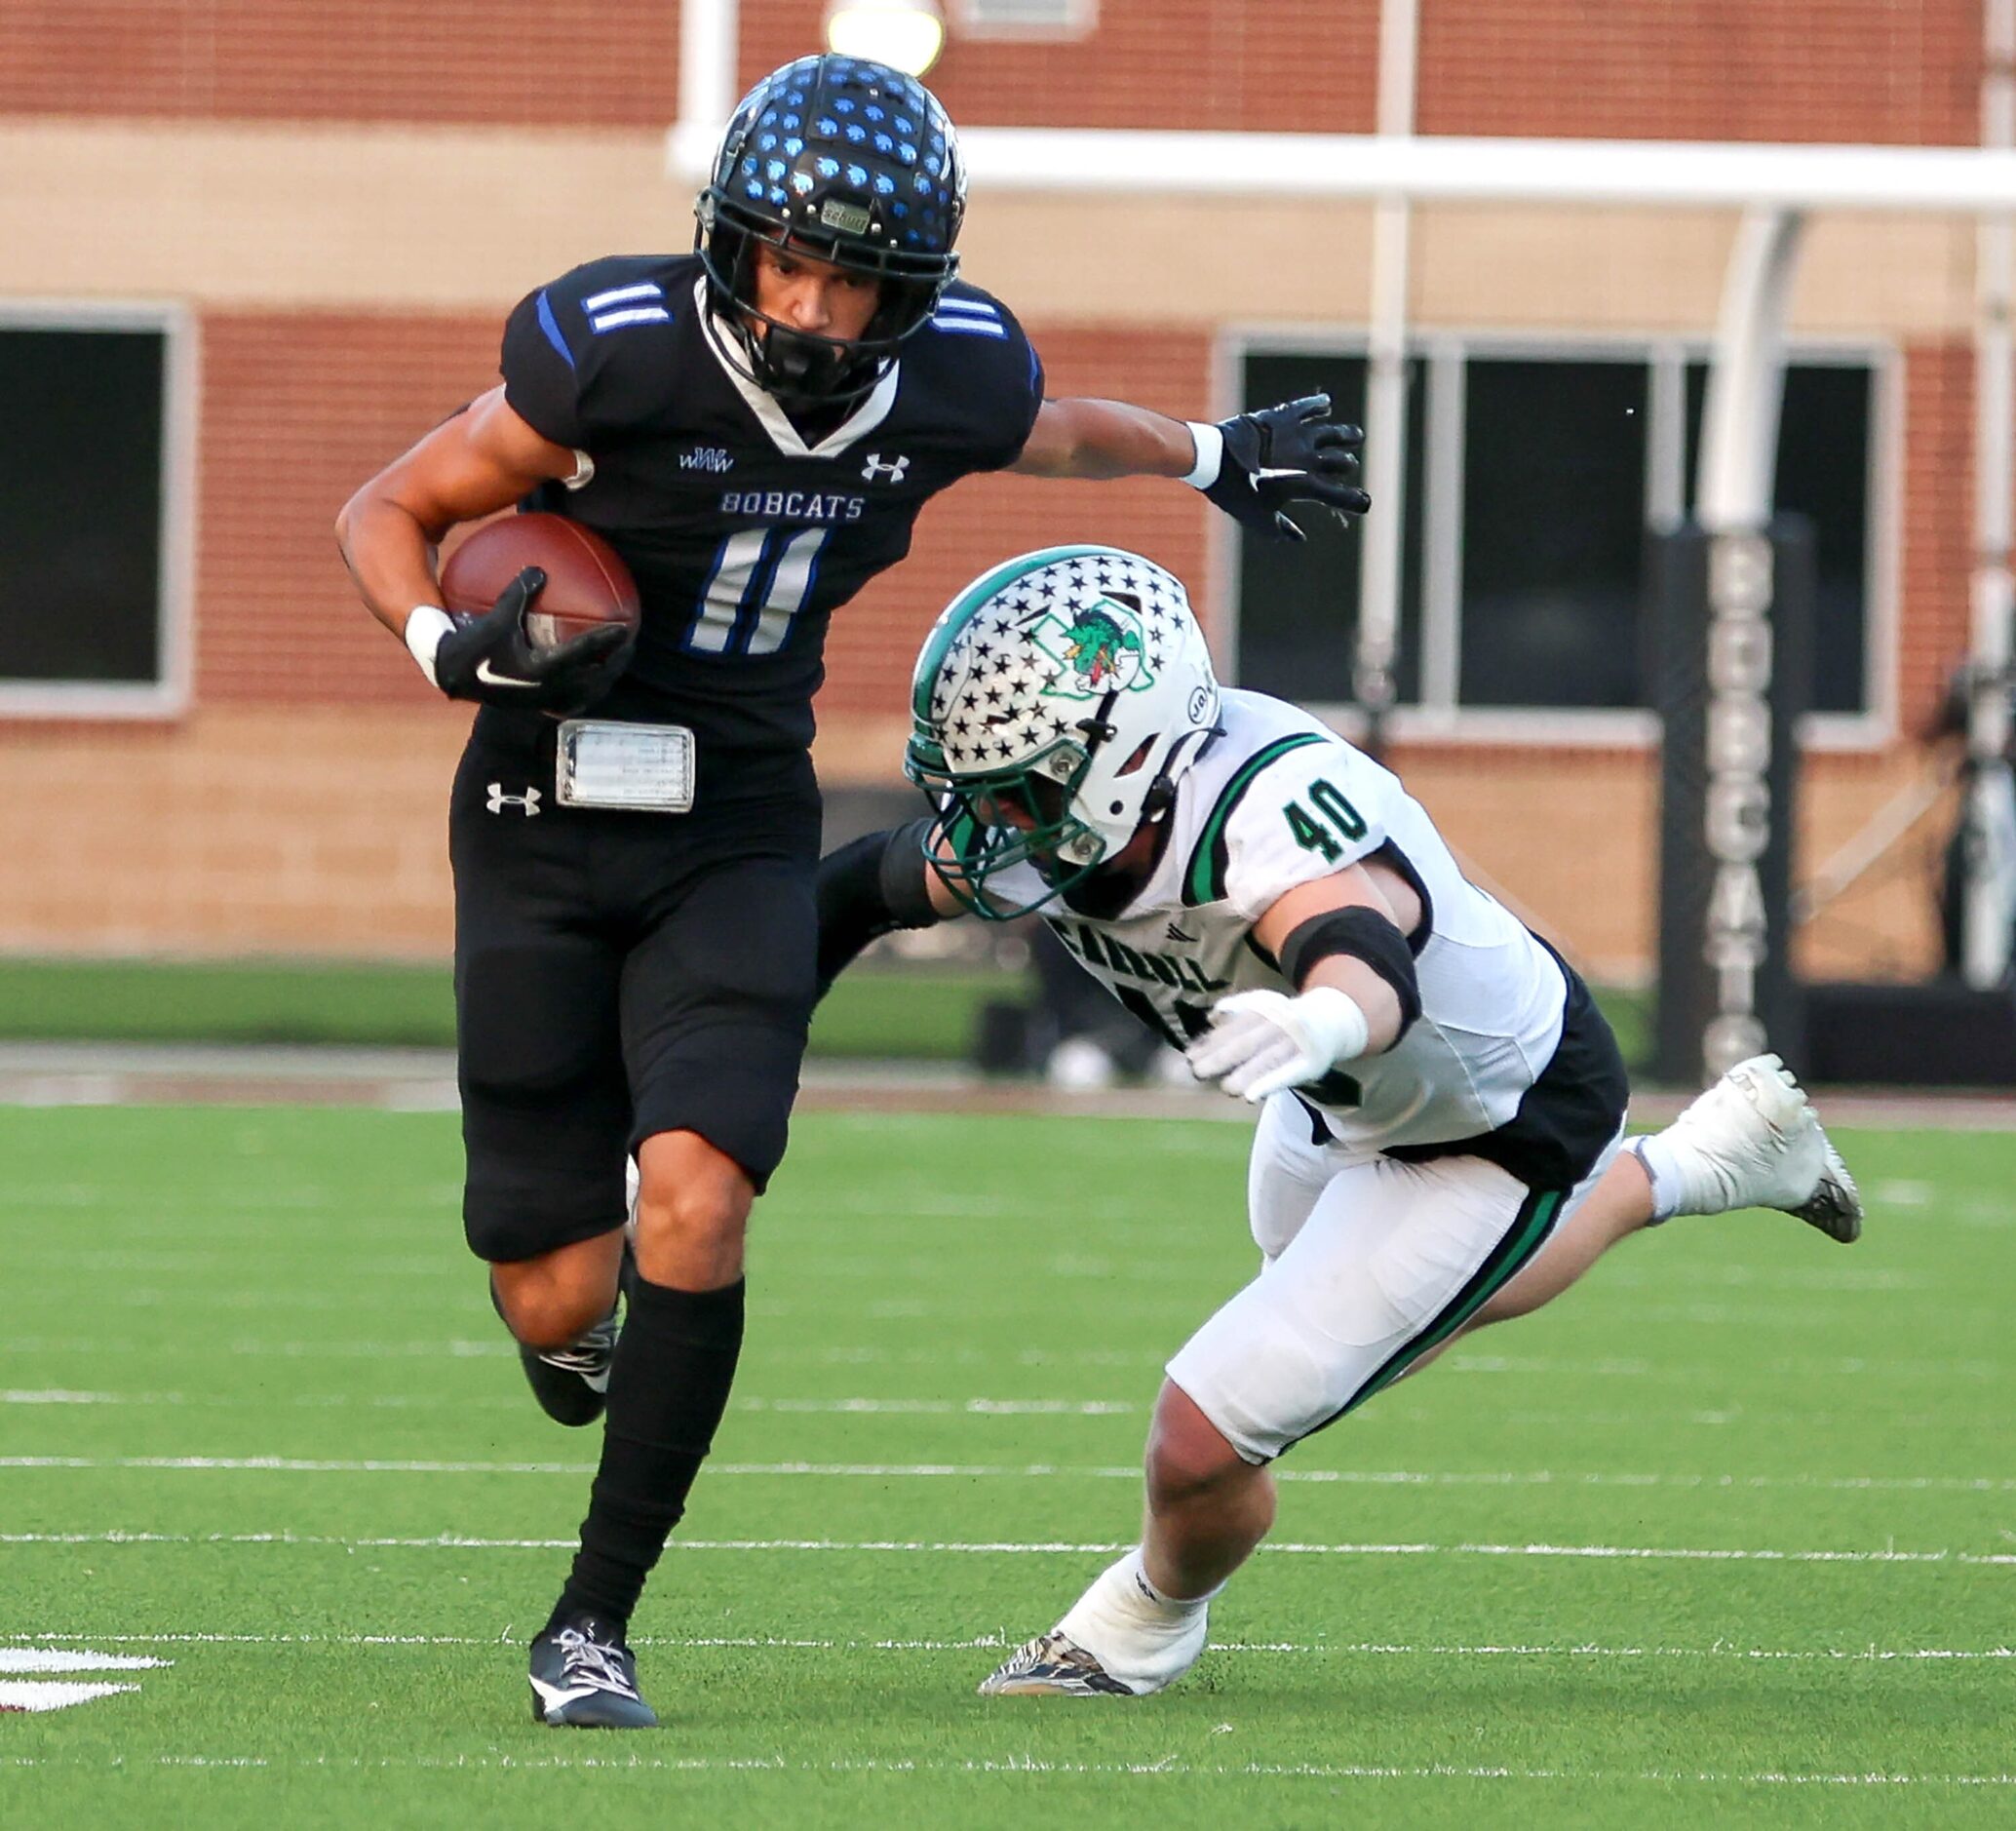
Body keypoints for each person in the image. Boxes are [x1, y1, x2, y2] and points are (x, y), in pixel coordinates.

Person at [333, 53, 1368, 1730]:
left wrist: (1211, 452)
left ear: (916, 283)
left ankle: (591, 1619)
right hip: (537, 804)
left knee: (698, 1193)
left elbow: (1055, 432)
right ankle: (578, 1328)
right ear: (725, 243)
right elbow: (389, 505)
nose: (812, 306)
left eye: (854, 273)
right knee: (553, 1282)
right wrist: (449, 643)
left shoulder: (945, 375)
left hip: (736, 813)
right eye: (784, 261)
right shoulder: (615, 348)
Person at [814, 541, 1863, 1699]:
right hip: (1339, 1096)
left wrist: (1318, 1022)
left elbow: (1359, 944)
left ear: (1126, 759)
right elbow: (850, 889)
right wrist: (733, 1056)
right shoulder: (1078, 815)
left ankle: (1138, 1625)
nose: (986, 828)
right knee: (1333, 1349)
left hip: (1492, 1112)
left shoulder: (1260, 812)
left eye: (1019, 790)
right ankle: (1700, 1162)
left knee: (1210, 1433)